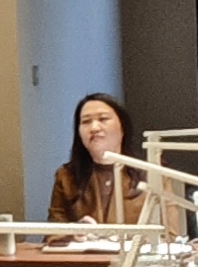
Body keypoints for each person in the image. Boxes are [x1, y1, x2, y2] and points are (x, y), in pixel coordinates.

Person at [48, 92, 151, 224]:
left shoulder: (152, 175)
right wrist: (74, 231)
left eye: (103, 119)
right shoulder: (66, 176)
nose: (94, 128)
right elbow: (55, 227)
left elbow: (170, 230)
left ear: (123, 127)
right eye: (86, 121)